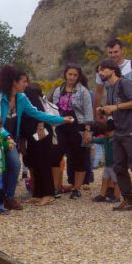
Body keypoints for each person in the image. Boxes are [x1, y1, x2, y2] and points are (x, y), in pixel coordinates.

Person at [0, 65, 72, 210]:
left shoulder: (22, 97)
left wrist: (61, 120)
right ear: (14, 82)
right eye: (23, 81)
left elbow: (37, 113)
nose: (26, 84)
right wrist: (8, 137)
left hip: (7, 138)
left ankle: (7, 198)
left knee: (14, 165)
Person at [97, 58, 132, 213]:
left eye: (102, 69)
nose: (100, 73)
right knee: (119, 167)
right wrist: (105, 110)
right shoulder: (110, 88)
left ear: (112, 70)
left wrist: (115, 107)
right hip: (119, 131)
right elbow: (115, 109)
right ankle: (129, 200)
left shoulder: (125, 83)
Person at [49, 64, 94, 199]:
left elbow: (88, 111)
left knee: (79, 157)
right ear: (65, 74)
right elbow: (54, 108)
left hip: (78, 126)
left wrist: (87, 130)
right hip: (61, 126)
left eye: (75, 75)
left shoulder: (83, 91)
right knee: (56, 156)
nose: (72, 77)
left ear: (78, 76)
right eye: (70, 74)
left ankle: (76, 188)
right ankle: (56, 188)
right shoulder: (58, 90)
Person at [23, 84, 58, 204]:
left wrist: (40, 126)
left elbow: (40, 111)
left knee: (43, 163)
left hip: (40, 131)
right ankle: (37, 193)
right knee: (34, 163)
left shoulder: (27, 93)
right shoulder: (17, 95)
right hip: (30, 134)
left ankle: (48, 194)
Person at [90, 120, 120, 202]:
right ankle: (102, 195)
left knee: (116, 181)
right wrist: (90, 139)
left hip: (115, 164)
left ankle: (116, 197)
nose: (107, 134)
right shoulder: (106, 138)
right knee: (105, 179)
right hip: (108, 164)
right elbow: (97, 140)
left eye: (109, 132)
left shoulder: (117, 139)